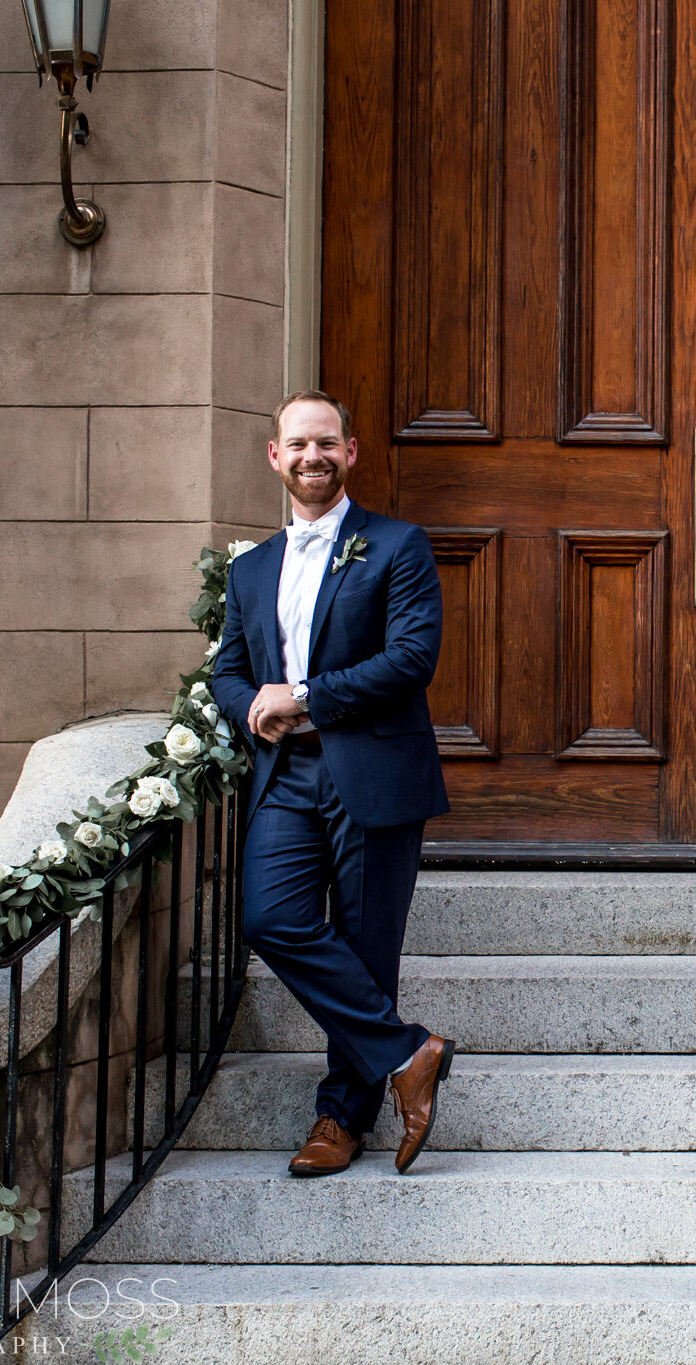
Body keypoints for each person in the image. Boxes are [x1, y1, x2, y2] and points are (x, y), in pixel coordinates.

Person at [210, 390, 453, 1178]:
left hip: (371, 769)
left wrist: (306, 694)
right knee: (269, 917)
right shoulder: (249, 571)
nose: (312, 456)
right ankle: (407, 1050)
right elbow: (228, 671)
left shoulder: (396, 545)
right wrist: (251, 702)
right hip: (286, 773)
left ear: (350, 452)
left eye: (327, 443)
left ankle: (341, 1118)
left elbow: (413, 657)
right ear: (275, 456)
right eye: (297, 445)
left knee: (364, 944)